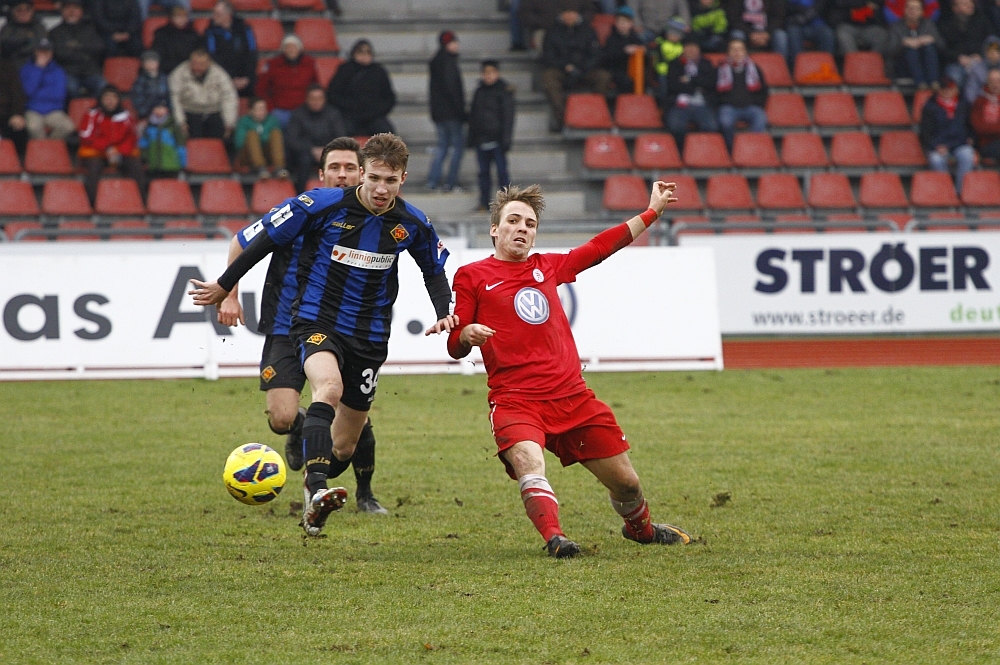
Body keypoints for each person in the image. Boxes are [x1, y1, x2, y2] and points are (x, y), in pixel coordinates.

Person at [189, 133, 455, 537]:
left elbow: (433, 271)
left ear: (403, 179)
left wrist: (443, 313)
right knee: (327, 388)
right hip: (317, 321)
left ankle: (323, 475)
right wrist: (226, 286)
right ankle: (315, 492)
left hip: (370, 336)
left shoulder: (413, 223)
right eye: (375, 178)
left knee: (343, 446)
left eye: (391, 181)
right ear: (362, 174)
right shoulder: (320, 205)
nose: (381, 189)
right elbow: (262, 242)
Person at [442, 181, 691, 559]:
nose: (522, 228)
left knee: (627, 484)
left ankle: (640, 531)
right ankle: (555, 539)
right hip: (516, 400)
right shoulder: (471, 275)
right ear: (495, 229)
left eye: (530, 224)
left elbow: (599, 248)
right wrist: (466, 334)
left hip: (573, 398)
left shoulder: (548, 266)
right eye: (513, 220)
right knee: (529, 462)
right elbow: (454, 344)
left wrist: (652, 212)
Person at [214, 137, 390, 516]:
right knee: (280, 417)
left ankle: (365, 492)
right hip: (285, 325)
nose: (342, 175)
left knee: (346, 413)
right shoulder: (298, 210)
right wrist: (229, 294)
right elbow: (241, 241)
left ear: (362, 173)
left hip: (341, 329)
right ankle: (302, 427)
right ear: (321, 174)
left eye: (349, 168)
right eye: (334, 168)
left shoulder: (376, 219)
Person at [539, 8, 612, 132]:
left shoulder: (588, 31)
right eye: (566, 13)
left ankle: (596, 112)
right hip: (561, 70)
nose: (569, 16)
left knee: (603, 76)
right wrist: (565, 66)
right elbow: (548, 56)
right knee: (548, 77)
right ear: (561, 15)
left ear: (577, 14)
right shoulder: (552, 32)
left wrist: (581, 68)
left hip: (585, 70)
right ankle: (561, 118)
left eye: (572, 13)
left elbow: (595, 55)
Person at [78, 85, 145, 205]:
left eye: (114, 97)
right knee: (93, 168)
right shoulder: (92, 114)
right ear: (101, 99)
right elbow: (85, 136)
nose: (110, 101)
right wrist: (106, 148)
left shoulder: (126, 116)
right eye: (107, 97)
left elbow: (132, 137)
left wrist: (120, 152)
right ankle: (91, 204)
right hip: (97, 152)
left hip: (120, 152)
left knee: (136, 167)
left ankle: (140, 203)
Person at [468, 60, 516, 212]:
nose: (488, 76)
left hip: (497, 140)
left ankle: (506, 204)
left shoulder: (504, 91)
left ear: (497, 73)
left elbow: (508, 118)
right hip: (481, 140)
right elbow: (473, 116)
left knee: (502, 173)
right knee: (483, 174)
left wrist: (506, 139)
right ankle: (484, 203)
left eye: (491, 73)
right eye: (486, 73)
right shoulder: (479, 91)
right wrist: (471, 137)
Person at [325, 40, 397, 136]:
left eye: (368, 52)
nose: (364, 56)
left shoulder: (379, 72)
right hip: (349, 116)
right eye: (360, 52)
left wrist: (375, 111)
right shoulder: (344, 70)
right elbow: (333, 95)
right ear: (354, 54)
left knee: (387, 134)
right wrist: (350, 107)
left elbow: (389, 98)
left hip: (374, 117)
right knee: (341, 133)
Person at [285, 84, 347, 192]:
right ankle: (300, 194)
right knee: (303, 160)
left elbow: (341, 137)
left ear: (324, 99)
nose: (316, 101)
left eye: (319, 98)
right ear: (307, 99)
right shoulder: (298, 115)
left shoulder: (333, 114)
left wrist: (326, 150)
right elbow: (292, 139)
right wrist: (311, 150)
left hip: (329, 152)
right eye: (313, 98)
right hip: (305, 153)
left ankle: (339, 194)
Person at [920, 73, 975, 192]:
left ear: (956, 89)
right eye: (944, 89)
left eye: (950, 89)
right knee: (936, 159)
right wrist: (936, 146)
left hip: (959, 144)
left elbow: (970, 126)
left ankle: (960, 192)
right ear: (939, 90)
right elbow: (925, 133)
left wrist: (971, 138)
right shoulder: (930, 107)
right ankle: (946, 191)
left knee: (967, 154)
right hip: (939, 146)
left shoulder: (964, 105)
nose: (947, 92)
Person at [169, 47, 239, 140]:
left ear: (209, 63)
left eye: (201, 64)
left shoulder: (220, 74)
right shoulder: (178, 74)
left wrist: (229, 122)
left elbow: (229, 97)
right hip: (189, 112)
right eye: (194, 63)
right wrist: (181, 122)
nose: (197, 67)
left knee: (223, 139)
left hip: (214, 112)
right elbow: (174, 99)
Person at [427, 30, 467, 192]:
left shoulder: (436, 62)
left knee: (442, 146)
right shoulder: (449, 63)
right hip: (452, 113)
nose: (457, 45)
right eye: (454, 42)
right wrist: (461, 112)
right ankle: (451, 181)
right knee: (457, 147)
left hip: (439, 113)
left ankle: (433, 180)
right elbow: (453, 90)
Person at [665, 37, 719, 148]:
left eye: (694, 47)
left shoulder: (706, 63)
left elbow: (710, 83)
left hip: (703, 104)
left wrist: (690, 80)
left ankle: (701, 151)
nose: (691, 50)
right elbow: (673, 86)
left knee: (711, 127)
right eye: (688, 47)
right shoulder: (675, 64)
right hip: (679, 105)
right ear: (683, 49)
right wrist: (697, 84)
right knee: (676, 127)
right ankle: (682, 152)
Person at [716, 37, 768, 149]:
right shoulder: (720, 69)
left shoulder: (754, 68)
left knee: (760, 118)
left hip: (750, 107)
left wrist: (756, 103)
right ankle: (732, 150)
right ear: (728, 52)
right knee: (725, 122)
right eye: (733, 49)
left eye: (740, 49)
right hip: (728, 107)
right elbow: (714, 92)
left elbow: (763, 90)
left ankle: (750, 148)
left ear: (745, 52)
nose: (737, 52)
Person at [255, 35, 317, 128]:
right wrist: (270, 107)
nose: (291, 50)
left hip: (304, 110)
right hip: (279, 110)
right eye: (288, 47)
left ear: (300, 49)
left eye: (294, 47)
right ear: (283, 49)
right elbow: (260, 89)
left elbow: (316, 87)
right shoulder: (272, 64)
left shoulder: (309, 63)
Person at [20, 38, 75, 141]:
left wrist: (38, 94)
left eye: (47, 51)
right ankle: (43, 149)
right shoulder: (27, 69)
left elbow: (59, 95)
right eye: (41, 51)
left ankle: (49, 146)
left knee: (68, 127)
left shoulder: (58, 71)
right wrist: (38, 69)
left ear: (51, 53)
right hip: (33, 110)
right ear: (35, 52)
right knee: (33, 127)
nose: (44, 54)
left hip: (53, 110)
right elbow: (27, 91)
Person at [49, 0, 106, 99]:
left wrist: (73, 48)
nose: (71, 11)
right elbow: (60, 54)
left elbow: (98, 48)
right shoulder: (55, 32)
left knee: (103, 86)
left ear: (81, 11)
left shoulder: (91, 29)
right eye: (68, 8)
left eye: (75, 8)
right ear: (62, 11)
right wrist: (82, 50)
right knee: (71, 88)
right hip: (68, 73)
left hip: (90, 72)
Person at [204, 0, 258, 98]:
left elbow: (252, 53)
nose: (214, 16)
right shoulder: (210, 32)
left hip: (245, 77)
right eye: (214, 13)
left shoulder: (245, 28)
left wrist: (246, 77)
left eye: (218, 14)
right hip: (223, 77)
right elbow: (212, 57)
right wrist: (230, 78)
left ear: (228, 15)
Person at [888, 0, 945, 89]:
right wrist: (903, 43)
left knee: (929, 47)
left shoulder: (928, 24)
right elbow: (889, 50)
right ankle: (921, 83)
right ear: (905, 10)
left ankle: (934, 82)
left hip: (927, 64)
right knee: (911, 49)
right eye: (910, 8)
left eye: (916, 8)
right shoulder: (896, 26)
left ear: (922, 11)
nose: (912, 11)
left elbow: (942, 46)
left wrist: (931, 39)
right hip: (904, 66)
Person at [938, 0, 991, 90]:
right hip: (955, 62)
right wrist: (958, 57)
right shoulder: (944, 24)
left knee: (983, 76)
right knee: (955, 78)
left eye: (971, 3)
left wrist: (981, 54)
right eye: (964, 3)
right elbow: (942, 49)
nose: (970, 5)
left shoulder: (982, 20)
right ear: (955, 8)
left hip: (980, 60)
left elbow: (991, 41)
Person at [234, 97, 287, 179]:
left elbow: (278, 142)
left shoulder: (272, 120)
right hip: (247, 156)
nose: (262, 112)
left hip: (268, 155)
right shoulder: (243, 121)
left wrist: (261, 139)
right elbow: (239, 143)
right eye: (258, 109)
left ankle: (279, 168)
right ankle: (260, 168)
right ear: (250, 111)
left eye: (263, 109)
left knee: (276, 133)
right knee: (252, 134)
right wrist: (262, 138)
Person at [600, 6, 645, 97]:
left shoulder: (635, 38)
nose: (622, 25)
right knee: (626, 81)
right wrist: (624, 51)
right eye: (619, 22)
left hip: (632, 70)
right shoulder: (611, 38)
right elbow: (609, 56)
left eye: (625, 22)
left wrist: (642, 50)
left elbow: (643, 49)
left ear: (631, 24)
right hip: (615, 70)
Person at [519, 0, 593, 51]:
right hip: (544, 30)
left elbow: (589, 10)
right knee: (544, 40)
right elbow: (525, 14)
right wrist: (558, 19)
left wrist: (577, 18)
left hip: (575, 29)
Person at [139, 101, 186, 179]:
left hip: (171, 165)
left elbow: (181, 145)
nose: (159, 110)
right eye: (156, 108)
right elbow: (144, 144)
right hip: (154, 165)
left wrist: (182, 163)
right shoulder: (148, 126)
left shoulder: (173, 126)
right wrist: (144, 160)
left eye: (162, 108)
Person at [152, 5, 201, 76]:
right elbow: (158, 55)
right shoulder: (162, 34)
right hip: (167, 71)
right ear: (171, 18)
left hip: (189, 71)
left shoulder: (193, 34)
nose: (182, 19)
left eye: (184, 16)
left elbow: (198, 54)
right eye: (178, 16)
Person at [784, 0, 835, 68]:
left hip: (817, 24)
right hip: (796, 24)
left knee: (827, 33)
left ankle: (826, 67)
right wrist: (801, 11)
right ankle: (798, 67)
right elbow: (787, 7)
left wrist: (806, 17)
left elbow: (820, 6)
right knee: (793, 32)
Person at [0, 0, 47, 68]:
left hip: (36, 65)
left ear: (32, 11)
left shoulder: (39, 27)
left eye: (27, 9)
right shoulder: (7, 28)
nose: (23, 13)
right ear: (13, 12)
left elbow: (43, 46)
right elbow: (5, 46)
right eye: (19, 10)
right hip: (12, 65)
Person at [131, 50, 170, 123]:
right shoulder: (140, 81)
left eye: (153, 61)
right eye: (148, 62)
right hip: (147, 116)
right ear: (143, 64)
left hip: (165, 113)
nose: (151, 64)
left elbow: (170, 96)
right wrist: (151, 110)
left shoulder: (165, 78)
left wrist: (167, 109)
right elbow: (138, 100)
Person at [0, 58, 28, 157]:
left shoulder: (8, 69)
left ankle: (19, 162)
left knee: (19, 129)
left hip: (5, 113)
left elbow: (17, 94)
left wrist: (17, 114)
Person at [971, 69, 1000, 162]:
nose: (995, 84)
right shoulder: (980, 101)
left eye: (998, 81)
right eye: (992, 81)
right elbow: (979, 127)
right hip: (986, 144)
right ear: (987, 83)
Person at [964, 36, 1000, 104]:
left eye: (996, 50)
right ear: (985, 52)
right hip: (982, 104)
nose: (993, 53)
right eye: (990, 50)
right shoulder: (977, 69)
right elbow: (971, 92)